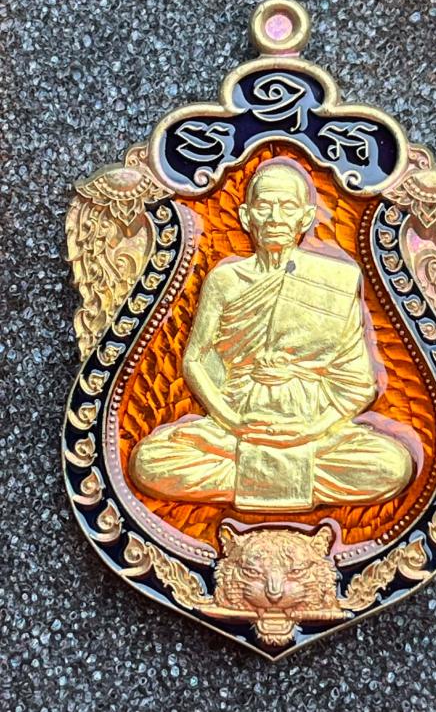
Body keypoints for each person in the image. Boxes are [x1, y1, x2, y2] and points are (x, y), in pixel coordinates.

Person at [129, 159, 413, 512]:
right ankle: (282, 472)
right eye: (264, 206)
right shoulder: (226, 280)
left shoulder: (335, 279)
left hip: (312, 429)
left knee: (391, 465)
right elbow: (195, 360)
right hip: (235, 425)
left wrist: (312, 431)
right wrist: (232, 423)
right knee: (150, 462)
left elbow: (359, 384)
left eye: (287, 206)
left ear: (305, 218)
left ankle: (254, 472)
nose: (275, 217)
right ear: (247, 216)